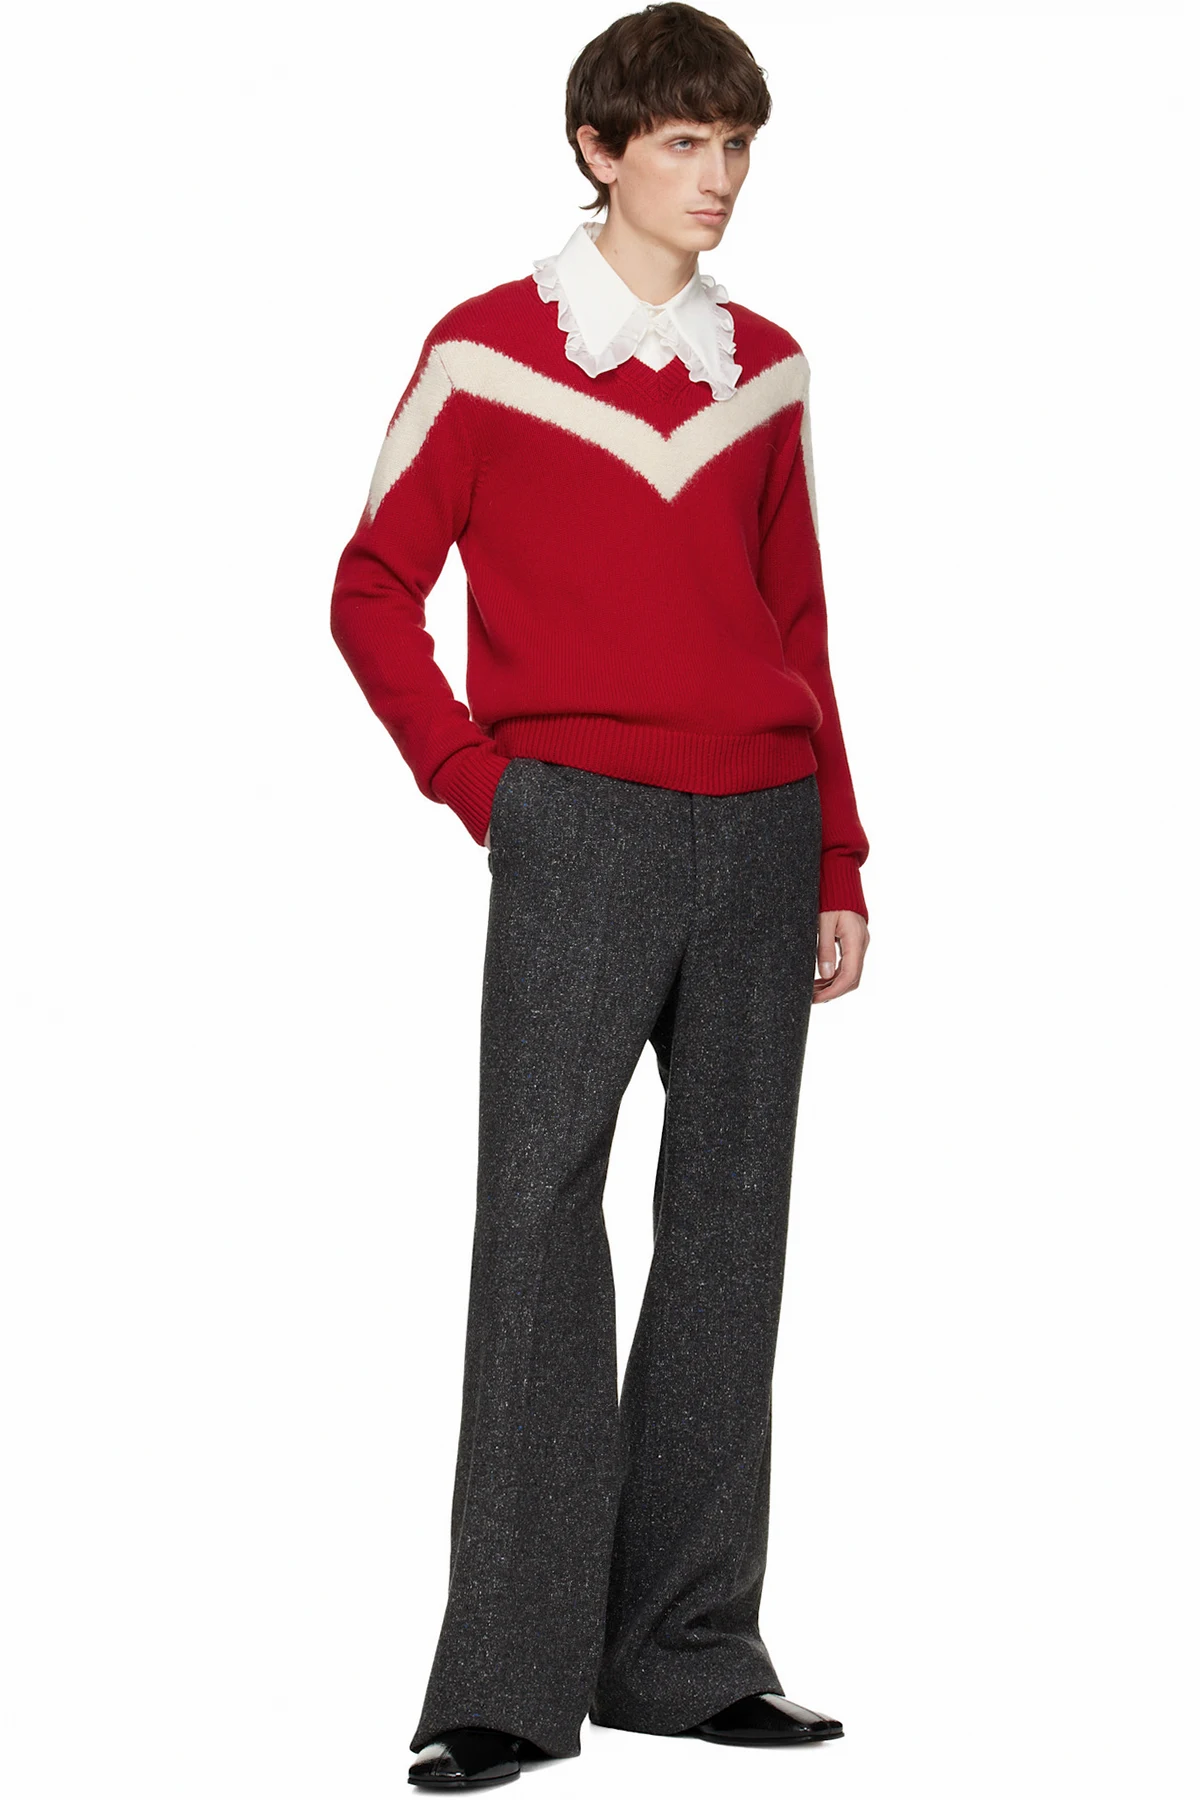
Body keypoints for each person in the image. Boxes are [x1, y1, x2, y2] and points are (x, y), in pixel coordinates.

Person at [330, 4, 870, 1785]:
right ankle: (505, 1677)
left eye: (739, 146)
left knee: (730, 1237)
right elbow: (369, 586)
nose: (720, 178)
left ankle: (686, 1654)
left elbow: (799, 627)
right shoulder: (487, 354)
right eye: (686, 143)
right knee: (540, 1226)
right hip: (577, 827)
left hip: (761, 830)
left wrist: (840, 853)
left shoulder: (768, 370)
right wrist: (483, 785)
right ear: (599, 150)